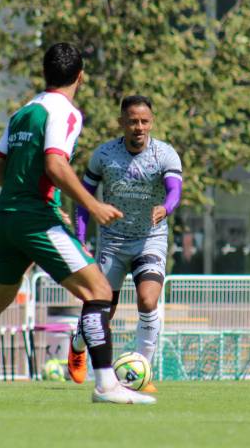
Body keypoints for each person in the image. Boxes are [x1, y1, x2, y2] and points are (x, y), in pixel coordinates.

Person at [0, 43, 154, 404]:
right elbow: (55, 164)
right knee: (100, 292)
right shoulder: (66, 112)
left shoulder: (23, 112)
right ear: (80, 77)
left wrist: (26, 196)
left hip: (6, 216)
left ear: (45, 73)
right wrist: (91, 205)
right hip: (34, 220)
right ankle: (107, 385)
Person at [69, 95, 182, 392]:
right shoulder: (104, 155)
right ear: (121, 122)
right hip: (112, 242)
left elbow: (175, 190)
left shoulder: (165, 154)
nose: (139, 127)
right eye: (132, 121)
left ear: (152, 123)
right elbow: (84, 198)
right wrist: (80, 239)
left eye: (144, 121)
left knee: (148, 301)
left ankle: (143, 371)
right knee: (102, 310)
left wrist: (166, 208)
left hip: (150, 240)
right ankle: (78, 343)